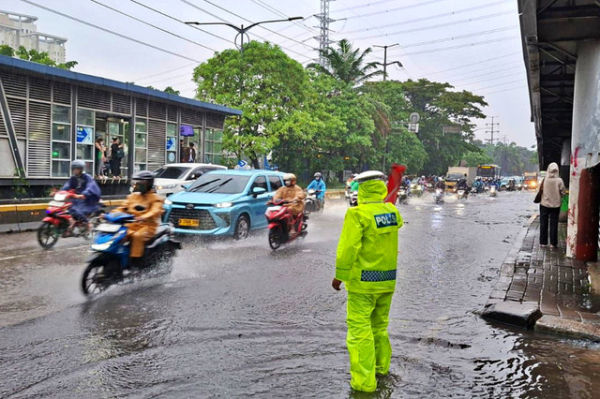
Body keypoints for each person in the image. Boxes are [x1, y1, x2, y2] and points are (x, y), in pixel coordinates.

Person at [332, 170, 403, 393]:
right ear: (380, 189)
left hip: (363, 283)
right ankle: (381, 369)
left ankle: (364, 383)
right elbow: (397, 223)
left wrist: (339, 275)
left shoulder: (357, 214)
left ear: (361, 190)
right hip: (388, 281)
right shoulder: (391, 211)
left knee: (359, 332)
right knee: (379, 328)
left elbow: (347, 249)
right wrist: (385, 203)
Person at [113, 171, 164, 266]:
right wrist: (109, 215)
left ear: (149, 183)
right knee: (118, 235)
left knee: (137, 236)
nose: (138, 185)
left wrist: (143, 217)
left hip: (147, 227)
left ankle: (136, 261)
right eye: (137, 182)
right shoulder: (133, 196)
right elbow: (122, 208)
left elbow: (155, 211)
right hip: (131, 225)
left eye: (141, 182)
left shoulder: (156, 198)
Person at [61, 160, 101, 234]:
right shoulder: (73, 178)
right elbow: (67, 185)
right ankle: (72, 222)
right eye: (74, 169)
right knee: (67, 207)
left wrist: (84, 194)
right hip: (76, 198)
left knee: (78, 209)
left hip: (86, 198)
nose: (75, 171)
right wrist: (60, 192)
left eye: (76, 169)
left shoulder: (87, 177)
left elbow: (90, 187)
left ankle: (88, 223)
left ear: (81, 169)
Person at [539, 162, 565, 248]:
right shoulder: (559, 180)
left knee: (543, 223)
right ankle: (553, 244)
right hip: (555, 205)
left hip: (544, 204)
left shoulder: (544, 180)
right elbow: (563, 192)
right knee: (554, 224)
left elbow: (540, 190)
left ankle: (543, 242)